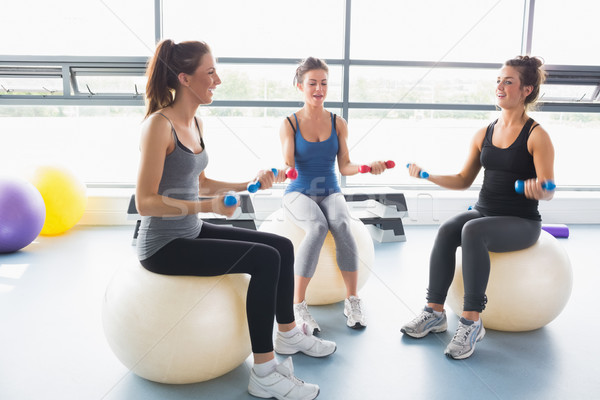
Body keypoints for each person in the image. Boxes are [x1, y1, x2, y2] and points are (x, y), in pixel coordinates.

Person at [136, 39, 336, 400]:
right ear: (184, 78)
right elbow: (146, 202)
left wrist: (249, 183)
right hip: (163, 246)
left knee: (280, 245)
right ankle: (264, 372)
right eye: (210, 72)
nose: (218, 79)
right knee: (264, 260)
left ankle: (288, 334)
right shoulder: (158, 126)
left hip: (190, 230)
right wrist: (209, 206)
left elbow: (198, 181)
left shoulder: (194, 121)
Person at [401, 55, 554, 360]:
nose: (499, 85)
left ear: (526, 89)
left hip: (521, 222)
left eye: (508, 81)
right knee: (448, 229)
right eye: (498, 80)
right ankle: (434, 311)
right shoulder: (484, 132)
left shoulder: (537, 135)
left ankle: (471, 321)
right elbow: (462, 179)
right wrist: (428, 175)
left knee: (473, 230)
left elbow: (548, 187)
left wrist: (540, 188)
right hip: (485, 212)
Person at [280, 57, 392, 333]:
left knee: (342, 224)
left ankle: (352, 299)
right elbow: (288, 164)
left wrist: (367, 167)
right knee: (317, 227)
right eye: (312, 83)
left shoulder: (338, 122)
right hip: (298, 192)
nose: (319, 88)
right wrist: (283, 171)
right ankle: (298, 305)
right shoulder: (289, 124)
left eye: (324, 83)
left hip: (330, 190)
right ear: (299, 86)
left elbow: (345, 166)